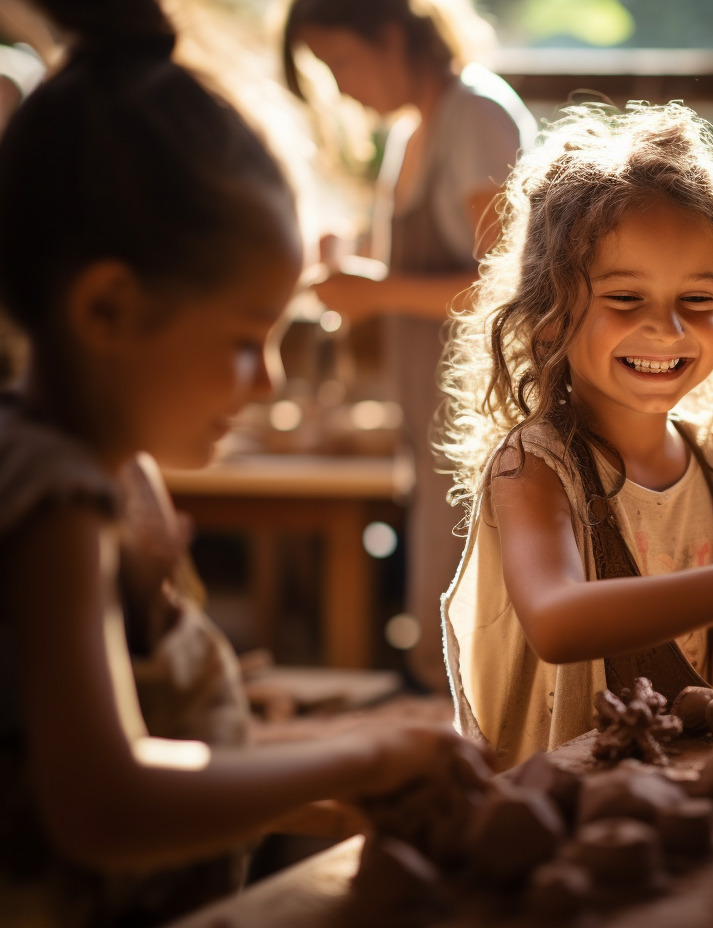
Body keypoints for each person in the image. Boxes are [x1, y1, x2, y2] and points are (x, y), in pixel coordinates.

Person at [0, 2, 486, 925]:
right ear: (106, 310)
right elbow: (105, 803)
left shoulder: (110, 474)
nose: (263, 380)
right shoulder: (54, 497)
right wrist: (367, 761)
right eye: (240, 340)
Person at [438, 102, 713, 770]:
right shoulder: (534, 467)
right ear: (548, 317)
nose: (669, 330)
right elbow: (558, 621)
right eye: (626, 300)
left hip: (672, 805)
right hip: (550, 820)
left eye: (697, 302)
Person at [282, 0, 537, 692]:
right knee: (440, 638)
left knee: (482, 650)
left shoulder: (475, 115)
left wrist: (379, 291)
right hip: (432, 430)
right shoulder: (411, 134)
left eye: (341, 63)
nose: (341, 87)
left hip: (484, 426)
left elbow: (510, 286)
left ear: (392, 36)